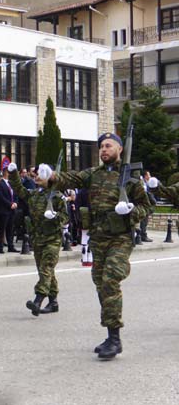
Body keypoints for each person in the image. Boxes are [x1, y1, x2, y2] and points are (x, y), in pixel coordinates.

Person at [40, 131, 150, 360]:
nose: (104, 150)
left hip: (120, 237)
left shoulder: (131, 177)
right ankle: (110, 333)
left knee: (110, 279)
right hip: (98, 238)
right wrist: (52, 175)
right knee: (100, 283)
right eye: (101, 147)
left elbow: (146, 206)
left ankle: (115, 338)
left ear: (120, 149)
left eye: (109, 146)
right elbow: (71, 179)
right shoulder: (94, 174)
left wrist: (131, 210)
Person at [8, 162, 68, 316]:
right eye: (36, 174)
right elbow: (19, 190)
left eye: (40, 174)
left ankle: (38, 300)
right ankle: (53, 302)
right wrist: (13, 173)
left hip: (52, 239)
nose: (36, 177)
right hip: (37, 238)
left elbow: (65, 217)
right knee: (46, 272)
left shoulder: (57, 196)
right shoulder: (34, 194)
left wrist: (55, 217)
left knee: (46, 268)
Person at [0, 167, 19, 253]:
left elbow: (15, 194)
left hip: (12, 210)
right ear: (5, 172)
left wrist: (15, 203)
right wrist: (10, 204)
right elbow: (0, 197)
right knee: (2, 229)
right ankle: (0, 247)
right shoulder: (0, 183)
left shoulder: (11, 183)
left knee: (10, 229)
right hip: (4, 209)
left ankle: (10, 246)